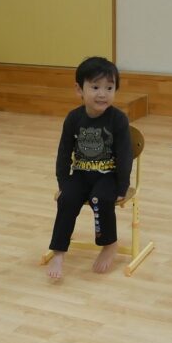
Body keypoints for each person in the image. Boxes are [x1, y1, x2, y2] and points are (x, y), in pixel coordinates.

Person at [47, 56, 132, 280]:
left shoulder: (118, 119)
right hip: (81, 174)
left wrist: (122, 186)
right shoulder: (73, 118)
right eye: (95, 87)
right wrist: (63, 182)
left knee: (99, 199)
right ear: (79, 90)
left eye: (109, 88)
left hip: (108, 176)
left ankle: (109, 244)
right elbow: (63, 153)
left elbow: (125, 155)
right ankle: (58, 252)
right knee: (66, 199)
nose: (102, 94)